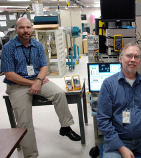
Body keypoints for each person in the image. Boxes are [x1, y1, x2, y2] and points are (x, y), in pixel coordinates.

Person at [1, 17, 81, 158]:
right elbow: (10, 74)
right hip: (17, 85)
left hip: (38, 80)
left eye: (28, 27)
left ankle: (65, 127)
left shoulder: (37, 45)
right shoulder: (8, 48)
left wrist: (38, 79)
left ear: (32, 28)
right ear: (16, 30)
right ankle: (31, 155)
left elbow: (44, 66)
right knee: (25, 122)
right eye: (22, 28)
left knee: (58, 94)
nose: (26, 31)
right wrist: (34, 83)